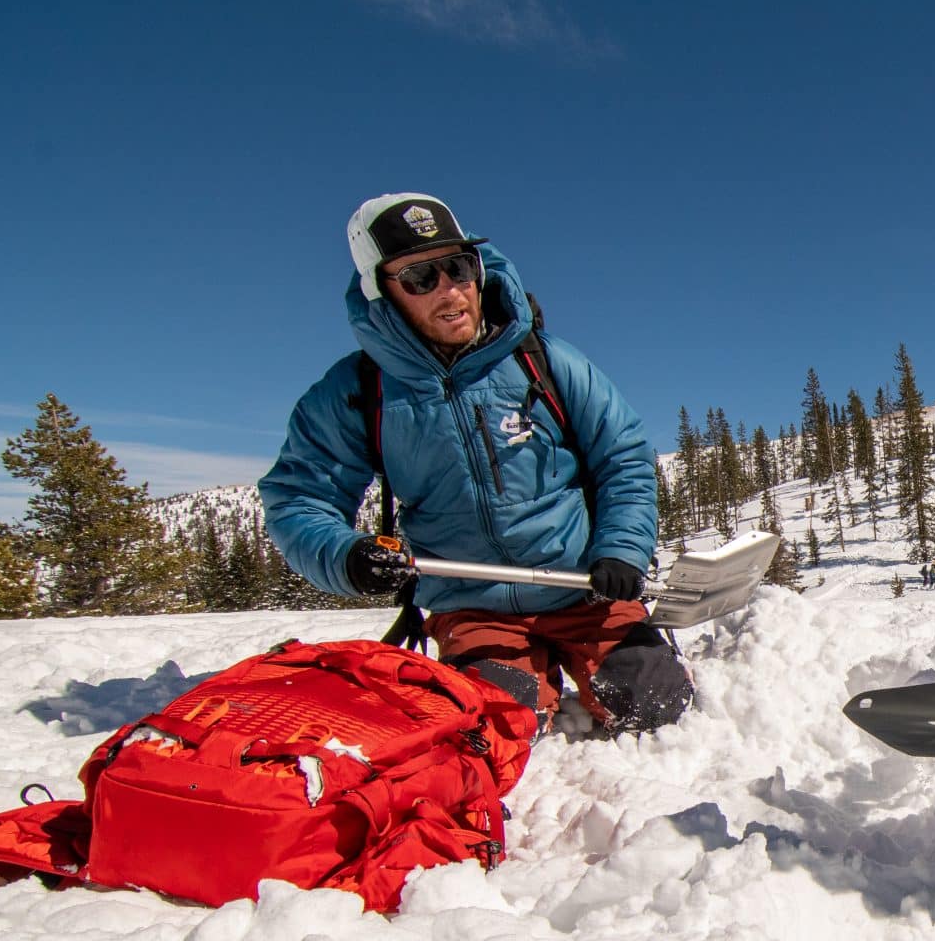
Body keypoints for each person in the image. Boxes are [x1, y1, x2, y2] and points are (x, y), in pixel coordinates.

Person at [261, 193, 692, 737]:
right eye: (420, 278)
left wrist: (621, 550)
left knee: (657, 709)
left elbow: (623, 457)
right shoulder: (355, 393)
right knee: (493, 730)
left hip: (586, 588)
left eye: (459, 267)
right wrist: (347, 557)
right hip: (472, 605)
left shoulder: (546, 360)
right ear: (382, 292)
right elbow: (299, 499)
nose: (450, 290)